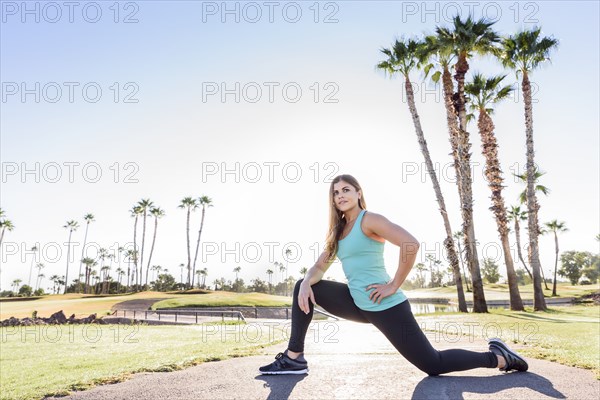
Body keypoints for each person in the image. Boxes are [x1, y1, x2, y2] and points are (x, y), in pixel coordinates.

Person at [259, 174, 528, 376]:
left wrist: (393, 285)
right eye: (336, 192)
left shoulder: (369, 219)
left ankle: (498, 357)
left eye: (346, 190)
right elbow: (319, 267)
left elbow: (410, 244)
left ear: (358, 193)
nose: (340, 195)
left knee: (432, 365)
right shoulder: (337, 231)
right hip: (356, 303)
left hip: (385, 305)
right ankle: (294, 358)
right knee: (302, 287)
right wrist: (307, 281)